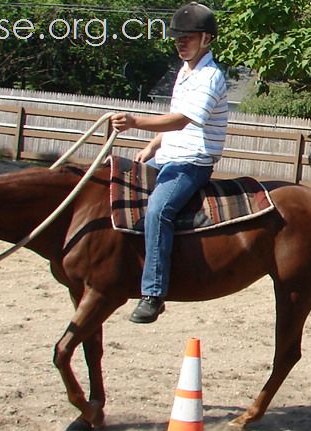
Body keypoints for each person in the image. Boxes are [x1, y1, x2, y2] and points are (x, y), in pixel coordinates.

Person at [111, 2, 228, 324]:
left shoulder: (210, 76)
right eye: (178, 37)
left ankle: (153, 293)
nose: (180, 42)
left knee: (158, 210)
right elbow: (171, 121)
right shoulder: (185, 72)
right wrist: (151, 145)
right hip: (168, 156)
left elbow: (182, 120)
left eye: (187, 37)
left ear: (206, 39)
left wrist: (134, 121)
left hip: (191, 162)